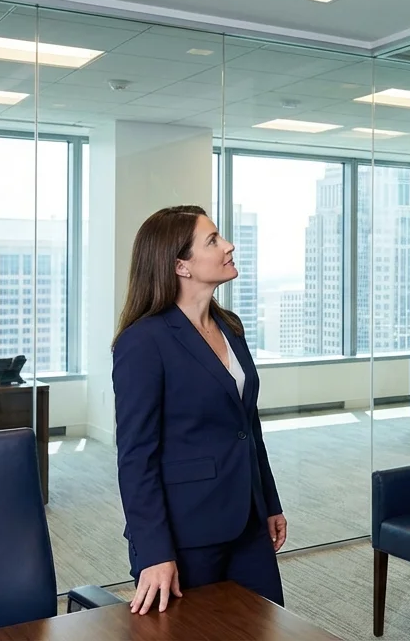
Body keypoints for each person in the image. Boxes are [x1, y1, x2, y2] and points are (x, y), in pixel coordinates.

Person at [111, 204, 287, 614]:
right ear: (181, 266)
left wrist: (270, 502)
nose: (228, 245)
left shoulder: (231, 326)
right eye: (212, 241)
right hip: (185, 532)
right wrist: (154, 550)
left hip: (247, 520)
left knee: (266, 627)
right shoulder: (144, 342)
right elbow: (136, 457)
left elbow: (248, 428)